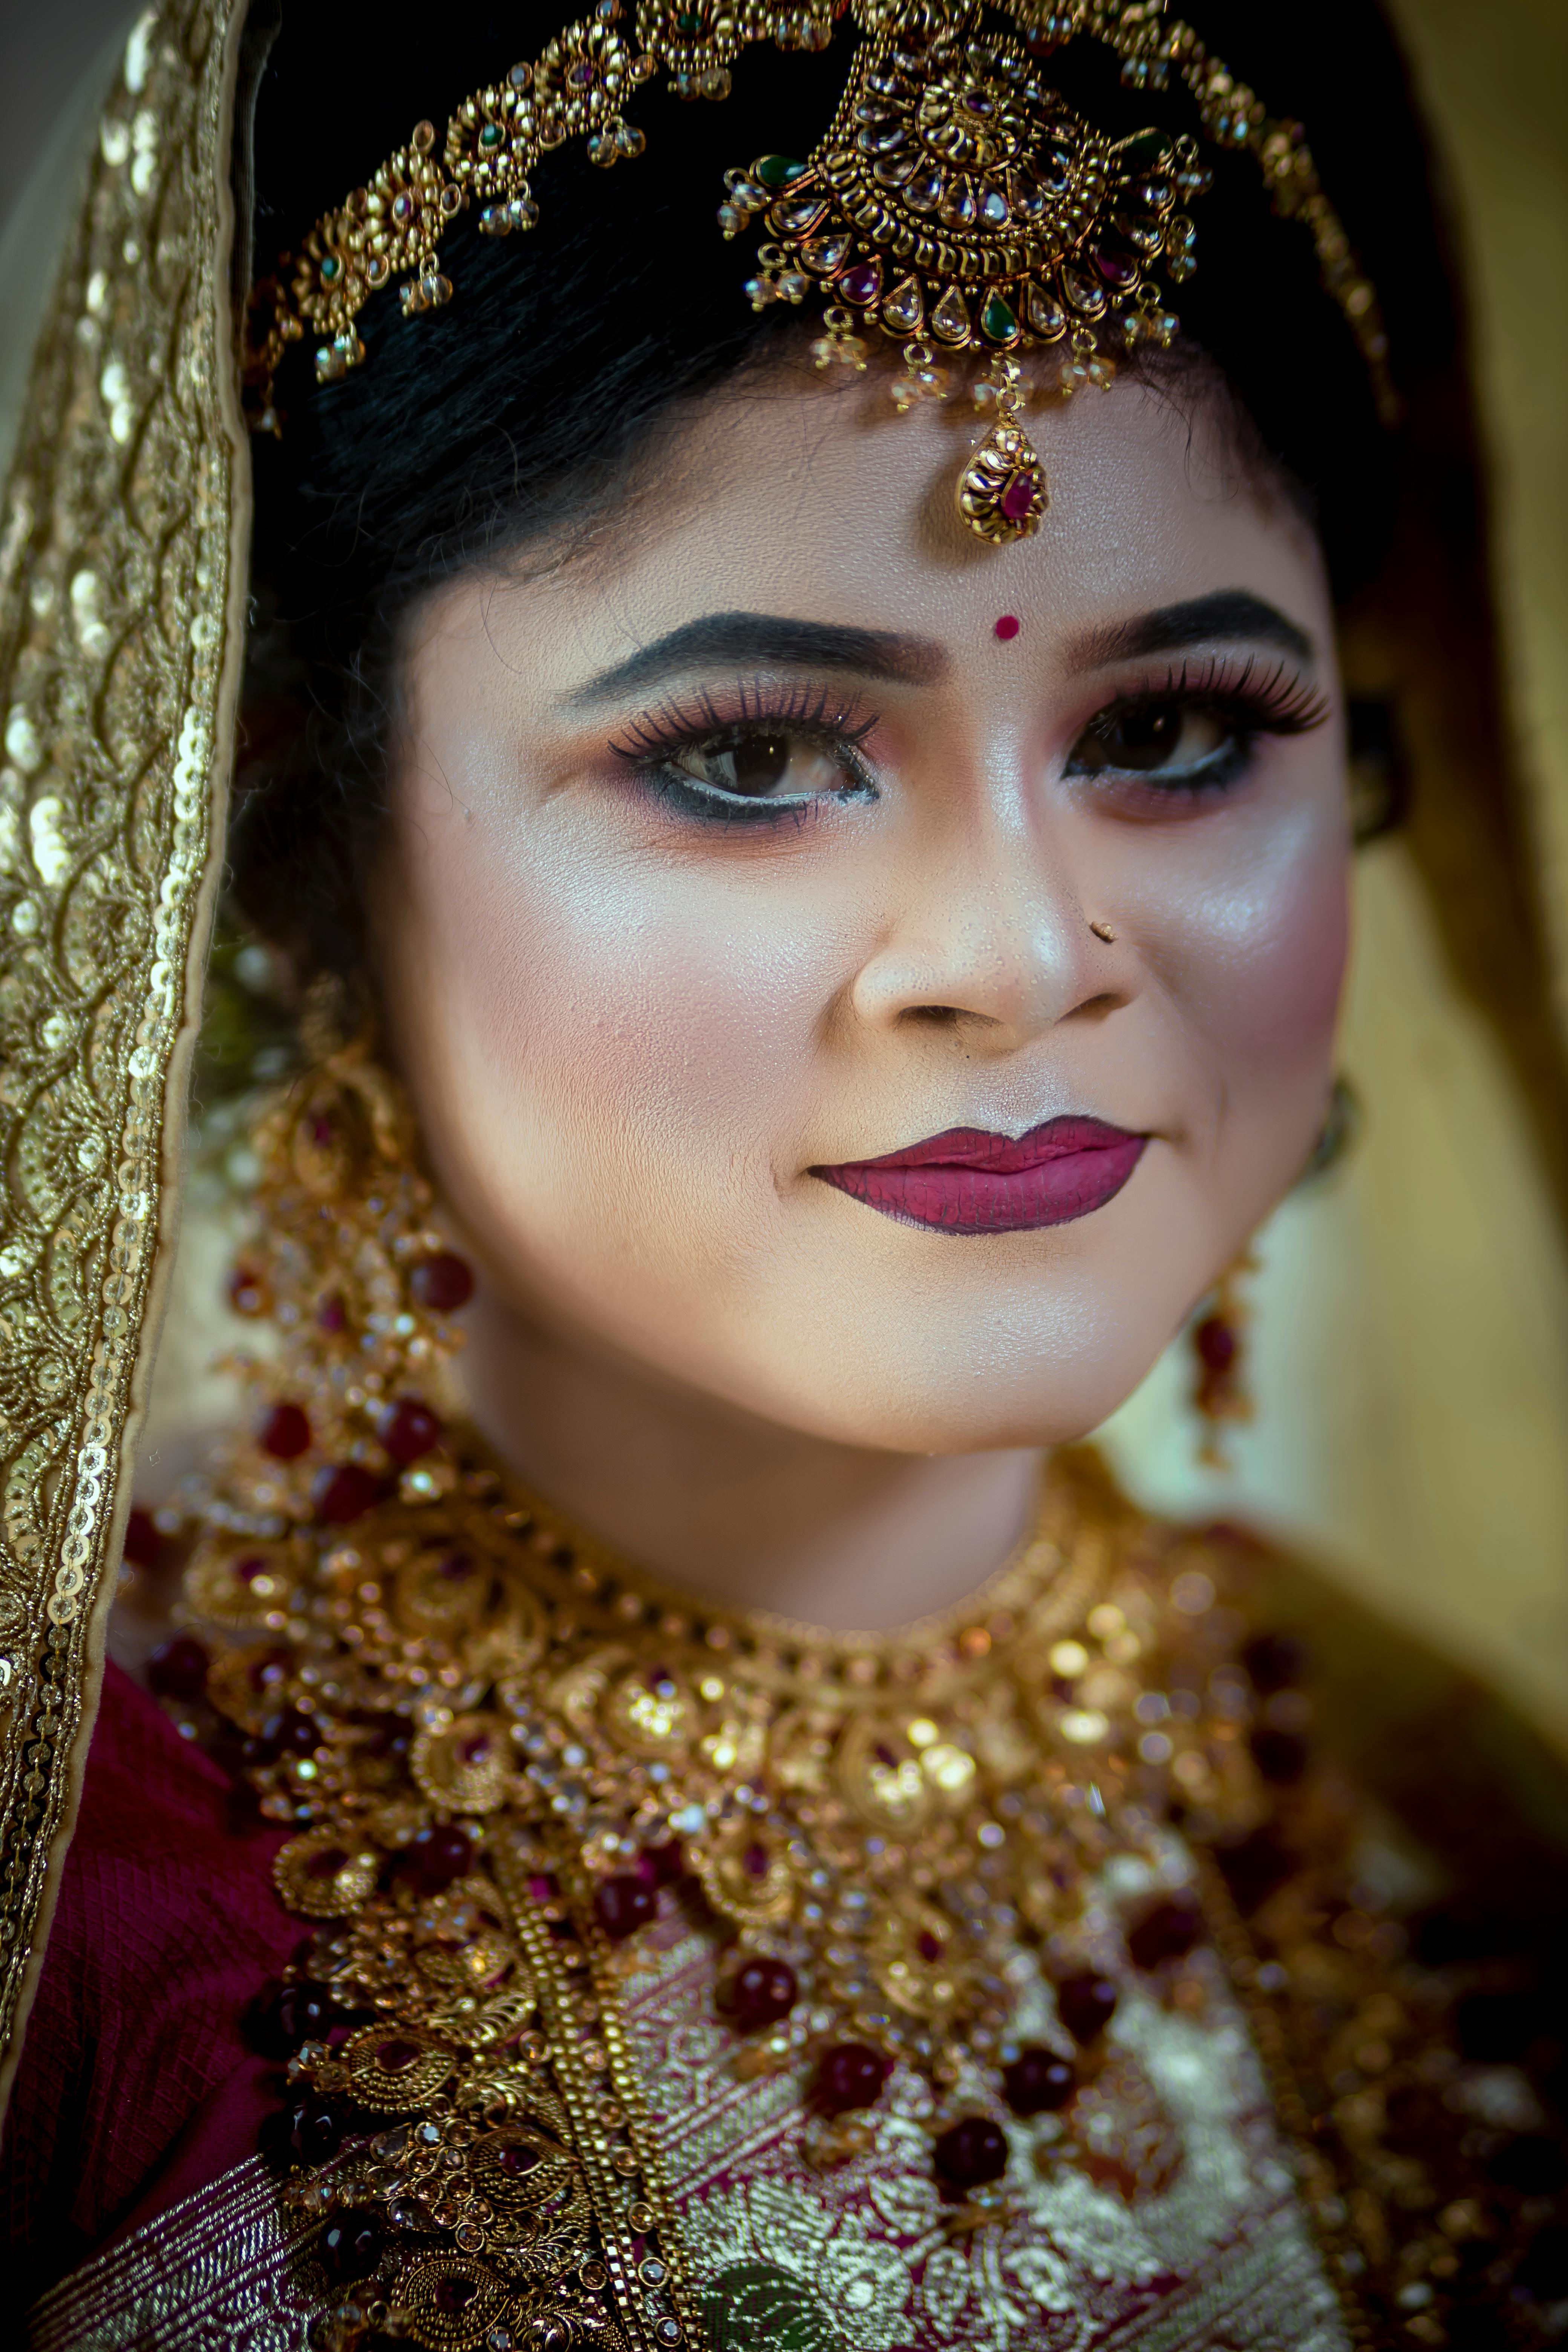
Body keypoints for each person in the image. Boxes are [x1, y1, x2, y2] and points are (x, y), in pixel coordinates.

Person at [3, 2, 1566, 2345]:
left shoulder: (1436, 1808)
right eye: (746, 755)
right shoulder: (72, 1930)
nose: (1027, 960)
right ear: (306, 845)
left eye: (1171, 733)